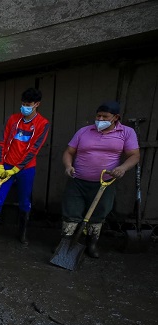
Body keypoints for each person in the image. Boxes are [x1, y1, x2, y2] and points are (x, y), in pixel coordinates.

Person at [60, 101, 139, 258]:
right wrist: (68, 166)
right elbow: (69, 152)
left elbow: (134, 155)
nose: (100, 119)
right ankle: (65, 245)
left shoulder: (127, 132)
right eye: (98, 115)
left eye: (105, 116)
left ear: (116, 117)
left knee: (98, 215)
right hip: (78, 181)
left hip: (105, 183)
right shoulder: (84, 131)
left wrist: (123, 168)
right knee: (71, 213)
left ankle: (91, 245)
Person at [0, 87, 51, 245]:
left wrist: (18, 168)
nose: (24, 107)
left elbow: (34, 149)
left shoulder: (43, 124)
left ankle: (22, 233)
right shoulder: (12, 119)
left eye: (28, 104)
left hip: (26, 169)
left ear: (37, 104)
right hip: (6, 166)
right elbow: (2, 142)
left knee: (24, 200)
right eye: (23, 103)